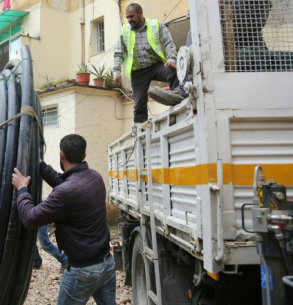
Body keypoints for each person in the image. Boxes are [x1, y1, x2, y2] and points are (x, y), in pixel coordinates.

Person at [12, 134, 115, 305]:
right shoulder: (95, 177)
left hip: (83, 272)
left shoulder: (65, 192)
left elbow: (30, 219)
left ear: (61, 155)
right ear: (84, 155)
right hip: (107, 263)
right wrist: (41, 165)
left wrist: (22, 190)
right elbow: (63, 182)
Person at [113, 3, 188, 128]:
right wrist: (116, 73)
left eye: (132, 16)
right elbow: (119, 53)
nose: (129, 20)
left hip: (156, 66)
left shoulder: (156, 25)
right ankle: (140, 129)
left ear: (140, 13)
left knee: (175, 72)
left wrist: (171, 60)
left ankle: (177, 101)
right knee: (139, 104)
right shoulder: (125, 31)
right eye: (128, 17)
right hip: (138, 72)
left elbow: (169, 43)